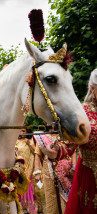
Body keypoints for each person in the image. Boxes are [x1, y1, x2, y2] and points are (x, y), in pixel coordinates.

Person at [63, 68, 97, 214]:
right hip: (90, 175)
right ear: (92, 88)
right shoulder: (83, 112)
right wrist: (57, 150)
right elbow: (68, 146)